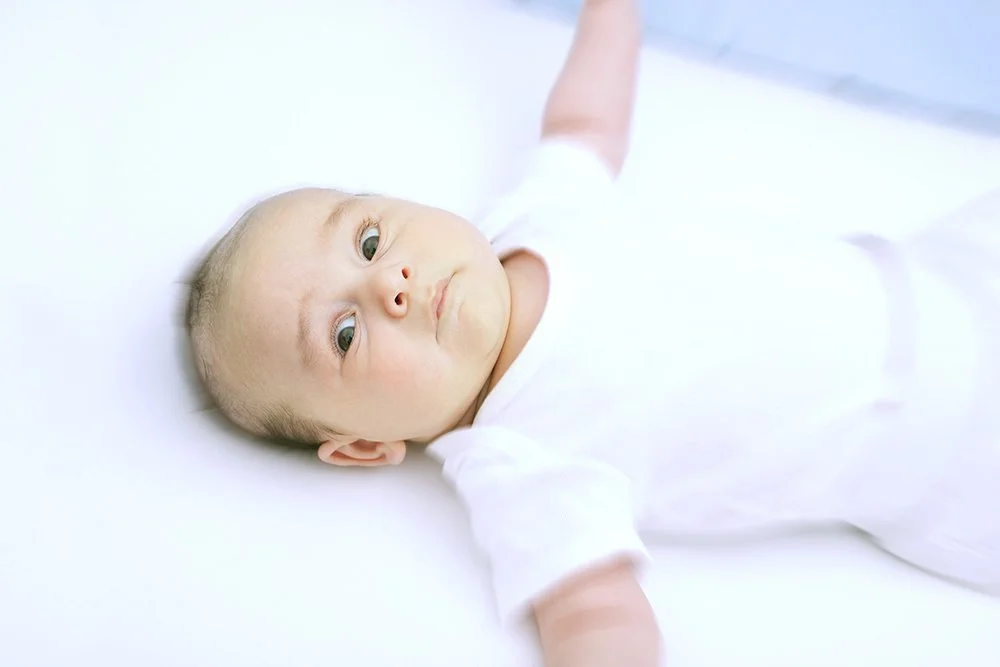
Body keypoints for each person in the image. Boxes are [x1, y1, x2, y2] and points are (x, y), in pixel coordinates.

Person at [185, 0, 999, 664]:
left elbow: (584, 123)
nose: (388, 285)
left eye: (368, 240)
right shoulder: (521, 462)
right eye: (345, 335)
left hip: (946, 268)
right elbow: (595, 614)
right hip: (955, 452)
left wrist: (611, 15)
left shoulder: (529, 217)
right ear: (362, 447)